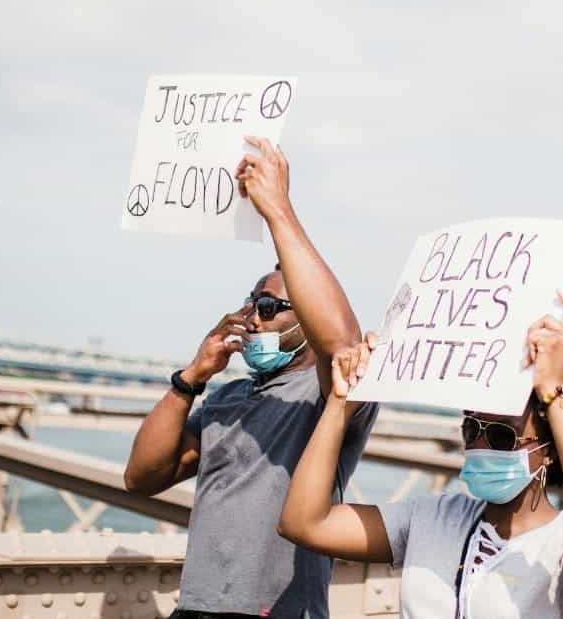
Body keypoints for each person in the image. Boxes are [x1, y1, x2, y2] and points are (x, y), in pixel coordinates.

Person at [123, 137, 378, 618]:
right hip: (196, 609)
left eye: (268, 307)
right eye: (250, 304)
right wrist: (190, 379)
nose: (251, 317)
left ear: (306, 317)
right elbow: (142, 477)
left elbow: (342, 344)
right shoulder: (228, 398)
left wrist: (278, 210)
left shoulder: (327, 398)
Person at [278, 291, 563, 617]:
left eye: (501, 435)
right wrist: (340, 405)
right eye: (471, 428)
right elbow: (305, 523)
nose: (480, 445)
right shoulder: (431, 517)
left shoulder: (562, 548)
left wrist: (553, 392)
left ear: (550, 452)